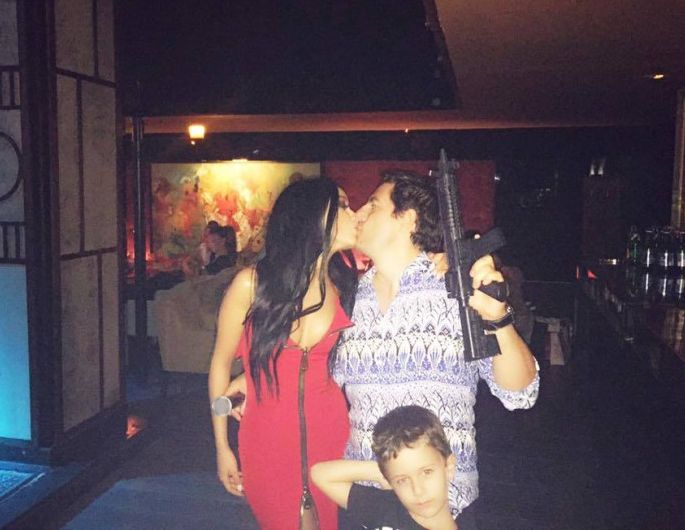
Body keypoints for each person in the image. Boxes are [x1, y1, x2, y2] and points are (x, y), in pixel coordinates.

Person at [333, 171, 539, 527]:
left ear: (409, 217)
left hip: (444, 505)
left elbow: (520, 393)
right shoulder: (348, 297)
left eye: (373, 204)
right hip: (370, 499)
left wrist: (499, 320)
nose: (360, 212)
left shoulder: (455, 288)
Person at [208, 177, 359, 530]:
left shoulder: (346, 287)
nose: (355, 213)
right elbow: (219, 365)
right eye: (343, 205)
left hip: (332, 434)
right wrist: (221, 446)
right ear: (313, 215)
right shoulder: (251, 284)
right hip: (266, 441)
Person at [312, 405, 458, 530]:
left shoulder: (470, 522)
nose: (418, 490)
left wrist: (396, 475)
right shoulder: (386, 508)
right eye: (403, 480)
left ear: (449, 467)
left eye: (427, 472)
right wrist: (381, 473)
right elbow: (320, 474)